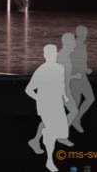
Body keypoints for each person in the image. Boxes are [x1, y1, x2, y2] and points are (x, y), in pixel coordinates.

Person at [26, 44, 69, 172]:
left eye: (54, 53)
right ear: (45, 55)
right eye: (50, 54)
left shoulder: (60, 68)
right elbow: (29, 89)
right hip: (46, 105)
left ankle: (36, 140)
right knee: (51, 131)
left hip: (57, 103)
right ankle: (49, 161)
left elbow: (61, 85)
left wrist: (64, 97)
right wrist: (40, 99)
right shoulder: (42, 70)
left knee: (61, 132)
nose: (52, 56)